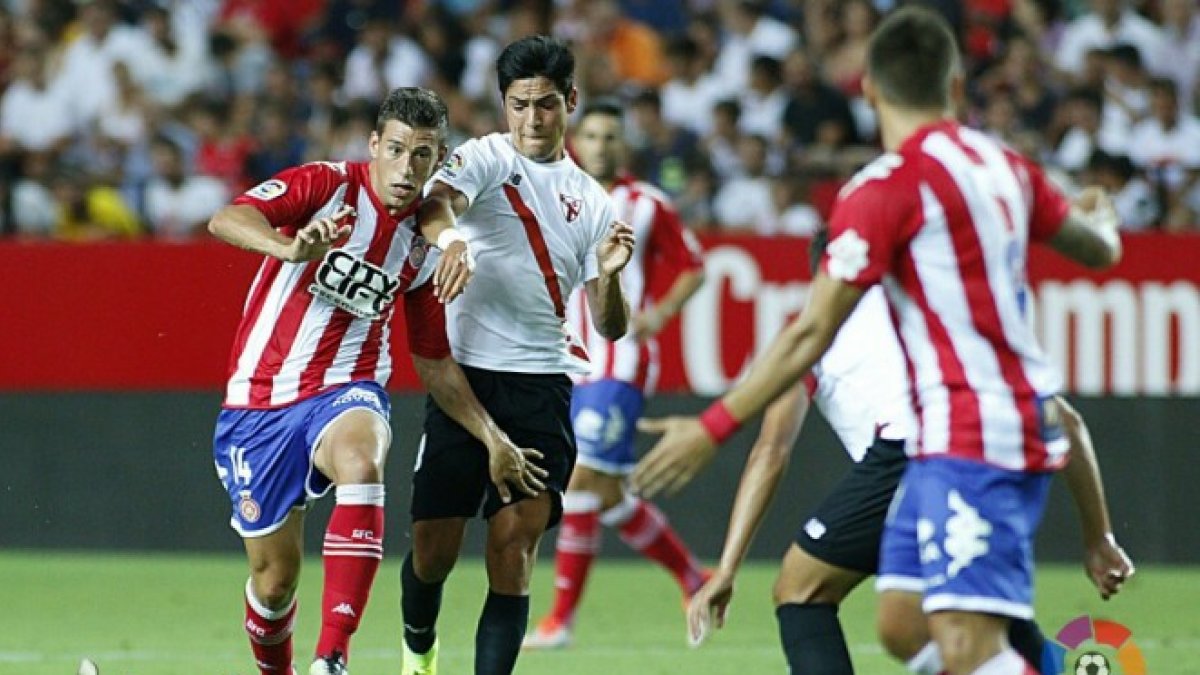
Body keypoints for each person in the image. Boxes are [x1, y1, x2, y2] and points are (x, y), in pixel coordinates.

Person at [632, 8, 1125, 675]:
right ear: (954, 87)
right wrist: (1101, 216)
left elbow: (811, 330)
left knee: (941, 636)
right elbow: (1098, 251)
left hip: (965, 431)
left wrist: (712, 425)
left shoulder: (882, 190)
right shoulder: (1008, 168)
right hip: (972, 429)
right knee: (903, 626)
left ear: (866, 89)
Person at [681, 233, 1134, 674]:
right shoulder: (936, 311)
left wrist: (726, 567)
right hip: (988, 458)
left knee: (801, 591)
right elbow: (1067, 422)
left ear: (822, 277)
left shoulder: (816, 331)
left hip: (911, 455)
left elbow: (771, 449)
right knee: (985, 608)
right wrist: (1100, 539)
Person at [207, 87, 544, 675]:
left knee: (361, 461)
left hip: (347, 387)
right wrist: (287, 248)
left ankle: (333, 653)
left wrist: (492, 436)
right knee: (274, 581)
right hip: (258, 402)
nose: (407, 168)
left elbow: (435, 364)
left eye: (423, 155)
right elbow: (228, 217)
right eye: (397, 150)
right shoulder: (326, 185)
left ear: (438, 161)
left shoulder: (423, 245)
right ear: (374, 146)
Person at [398, 36, 635, 675]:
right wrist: (453, 243)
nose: (534, 120)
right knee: (432, 553)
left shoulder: (592, 201)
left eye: (548, 105)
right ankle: (419, 648)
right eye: (521, 104)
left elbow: (612, 327)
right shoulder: (485, 157)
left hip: (541, 387)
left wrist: (610, 276)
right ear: (505, 106)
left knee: (512, 544)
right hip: (466, 380)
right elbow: (437, 205)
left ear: (572, 103)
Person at [523, 99, 707, 649]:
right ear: (579, 140)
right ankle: (694, 575)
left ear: (624, 144)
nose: (602, 145)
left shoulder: (646, 204)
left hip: (620, 362)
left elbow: (694, 268)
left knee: (580, 481)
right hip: (568, 364)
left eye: (612, 137)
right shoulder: (553, 193)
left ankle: (560, 620)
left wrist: (662, 313)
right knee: (603, 494)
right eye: (595, 135)